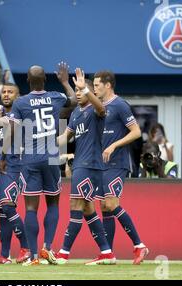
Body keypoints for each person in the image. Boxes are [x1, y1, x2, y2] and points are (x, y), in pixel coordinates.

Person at [4, 65, 74, 266]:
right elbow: (76, 100)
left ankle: (34, 256)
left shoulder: (21, 102)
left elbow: (12, 131)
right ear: (45, 79)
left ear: (27, 79)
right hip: (52, 156)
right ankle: (48, 248)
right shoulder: (55, 97)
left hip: (30, 158)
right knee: (53, 203)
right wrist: (63, 81)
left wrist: (3, 157)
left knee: (31, 208)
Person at [52, 68, 115, 265]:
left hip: (89, 165)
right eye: (77, 91)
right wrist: (43, 142)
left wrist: (86, 91)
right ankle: (107, 253)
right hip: (81, 163)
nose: (78, 93)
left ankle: (63, 253)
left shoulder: (96, 110)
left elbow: (102, 108)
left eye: (82, 90)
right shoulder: (76, 113)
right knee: (88, 209)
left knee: (75, 206)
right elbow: (65, 137)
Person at [94, 70, 149, 264]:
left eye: (97, 85)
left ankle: (139, 246)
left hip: (118, 163)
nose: (95, 88)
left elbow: (136, 132)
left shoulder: (120, 104)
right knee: (104, 207)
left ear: (108, 85)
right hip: (102, 164)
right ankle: (108, 253)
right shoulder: (99, 107)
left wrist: (114, 144)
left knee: (110, 204)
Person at [0, 83, 31, 265]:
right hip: (2, 165)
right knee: (1, 211)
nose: (6, 95)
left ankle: (26, 248)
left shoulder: (22, 114)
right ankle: (4, 255)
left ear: (18, 95)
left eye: (10, 92)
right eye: (4, 92)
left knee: (7, 206)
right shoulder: (2, 116)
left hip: (15, 165)